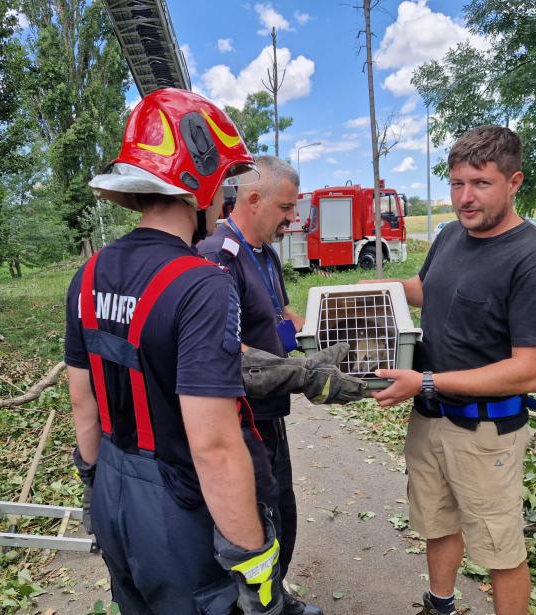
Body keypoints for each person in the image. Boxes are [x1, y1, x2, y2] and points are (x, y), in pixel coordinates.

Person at [65, 88, 284, 615]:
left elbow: (82, 402)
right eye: (223, 184)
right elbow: (214, 445)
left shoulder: (88, 274)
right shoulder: (202, 286)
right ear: (199, 182)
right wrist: (254, 564)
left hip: (114, 491)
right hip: (178, 512)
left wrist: (96, 487)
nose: (224, 199)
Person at [374, 125, 536, 615]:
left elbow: (531, 371)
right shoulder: (449, 235)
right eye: (457, 183)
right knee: (436, 523)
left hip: (486, 433)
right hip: (429, 417)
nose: (465, 198)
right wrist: (357, 296)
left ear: (514, 182)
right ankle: (440, 605)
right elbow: (424, 289)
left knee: (500, 550)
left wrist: (424, 380)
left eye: (481, 184)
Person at [198, 156, 322, 615]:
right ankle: (254, 604)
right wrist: (299, 374)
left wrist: (320, 333)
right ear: (253, 199)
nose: (292, 218)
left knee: (281, 508)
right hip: (241, 418)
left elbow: (280, 315)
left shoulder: (266, 254)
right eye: (286, 207)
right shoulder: (217, 257)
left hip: (272, 410)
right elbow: (223, 348)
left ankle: (277, 595)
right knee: (256, 515)